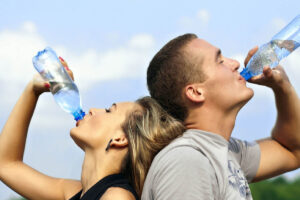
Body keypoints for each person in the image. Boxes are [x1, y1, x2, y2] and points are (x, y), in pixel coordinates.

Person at [0, 58, 185, 200]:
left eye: (108, 110)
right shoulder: (75, 192)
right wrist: (33, 89)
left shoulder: (117, 197)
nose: (92, 110)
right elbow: (5, 165)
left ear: (121, 139)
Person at [142, 33, 300, 199]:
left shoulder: (226, 151)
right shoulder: (187, 160)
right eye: (220, 61)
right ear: (196, 92)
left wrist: (282, 86)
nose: (236, 63)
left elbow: (293, 151)